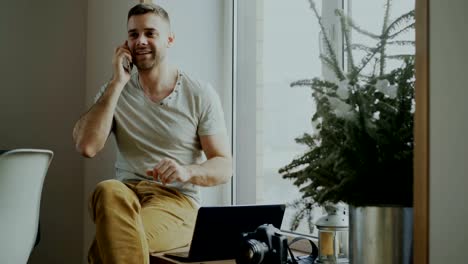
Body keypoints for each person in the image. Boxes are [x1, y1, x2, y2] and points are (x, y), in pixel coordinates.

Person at [72, 3, 232, 264]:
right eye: (133, 35)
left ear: (169, 40)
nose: (141, 41)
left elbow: (225, 166)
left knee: (111, 246)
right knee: (106, 189)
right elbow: (87, 146)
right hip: (125, 197)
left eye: (150, 33)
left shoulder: (199, 93)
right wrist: (116, 83)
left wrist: (187, 171)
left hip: (176, 200)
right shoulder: (114, 92)